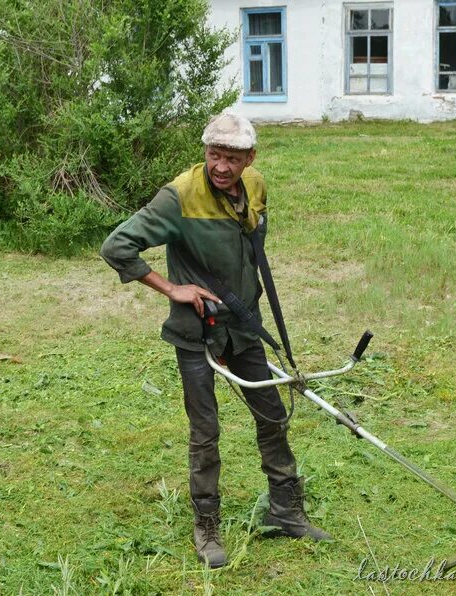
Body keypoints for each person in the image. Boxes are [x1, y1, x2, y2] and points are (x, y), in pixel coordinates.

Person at [100, 113, 330, 569]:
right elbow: (116, 246)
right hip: (197, 330)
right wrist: (172, 288)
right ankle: (206, 525)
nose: (221, 166)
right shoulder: (178, 196)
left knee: (273, 415)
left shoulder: (257, 187)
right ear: (204, 153)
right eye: (213, 155)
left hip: (244, 326)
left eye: (231, 157)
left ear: (250, 158)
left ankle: (286, 511)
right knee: (205, 431)